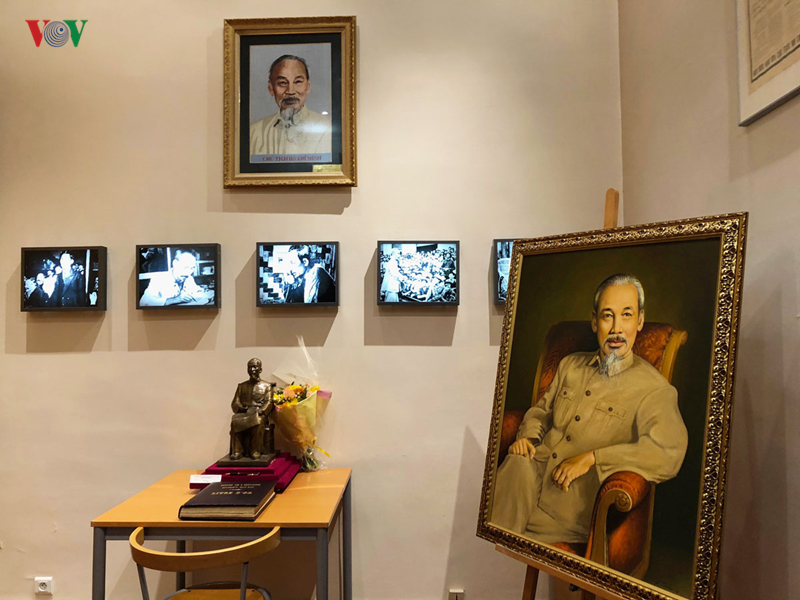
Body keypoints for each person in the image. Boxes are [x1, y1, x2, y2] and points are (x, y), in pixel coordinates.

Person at [491, 273, 688, 544]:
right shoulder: (570, 365)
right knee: (512, 475)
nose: (617, 328)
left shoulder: (654, 389)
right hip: (524, 482)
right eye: (608, 316)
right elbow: (541, 413)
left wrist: (594, 457)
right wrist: (527, 438)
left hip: (567, 513)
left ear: (640, 321)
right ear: (595, 322)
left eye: (627, 315)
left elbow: (667, 452)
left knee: (499, 541)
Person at [250, 55, 332, 156]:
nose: (290, 91)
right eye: (282, 83)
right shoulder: (253, 132)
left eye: (298, 82)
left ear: (308, 86)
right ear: (271, 88)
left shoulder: (328, 129)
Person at [230, 358, 274, 460]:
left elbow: (269, 402)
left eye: (255, 367)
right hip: (244, 412)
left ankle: (255, 450)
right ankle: (237, 451)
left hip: (258, 413)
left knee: (257, 422)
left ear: (260, 369)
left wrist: (261, 411)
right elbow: (235, 402)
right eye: (250, 367)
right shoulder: (241, 386)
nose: (252, 370)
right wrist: (242, 408)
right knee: (235, 421)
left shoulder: (267, 386)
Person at [139, 249, 209, 307]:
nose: (188, 273)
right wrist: (175, 300)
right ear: (175, 263)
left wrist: (201, 291)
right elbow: (143, 302)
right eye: (186, 267)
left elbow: (197, 291)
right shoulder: (159, 279)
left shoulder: (189, 278)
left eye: (192, 268)